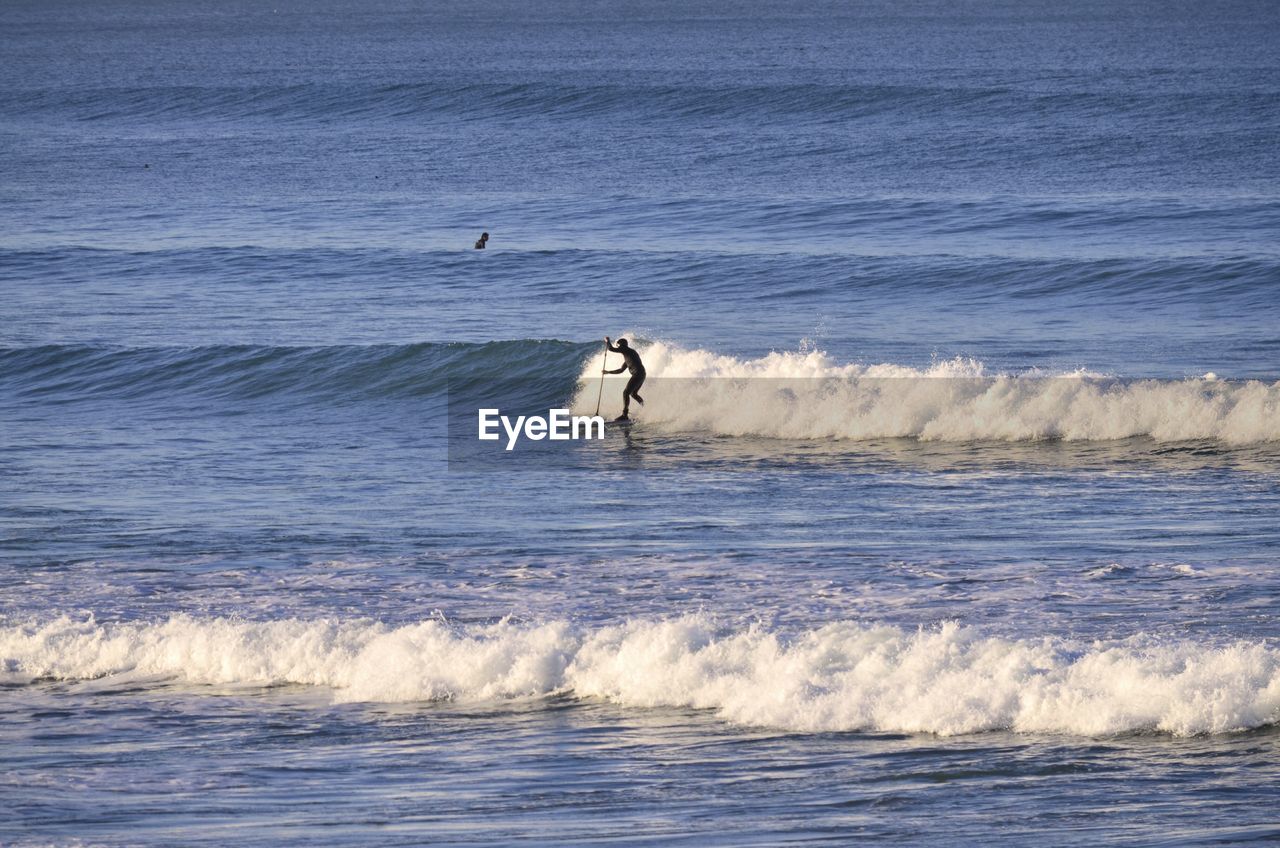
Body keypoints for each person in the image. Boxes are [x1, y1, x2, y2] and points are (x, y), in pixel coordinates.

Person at [604, 336, 645, 420]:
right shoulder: (629, 356)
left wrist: (607, 341)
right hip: (641, 374)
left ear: (621, 345)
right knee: (633, 394)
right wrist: (608, 372)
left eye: (618, 346)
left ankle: (624, 415)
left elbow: (611, 349)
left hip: (638, 374)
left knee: (625, 393)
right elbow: (620, 370)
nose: (618, 348)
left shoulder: (627, 350)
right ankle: (645, 408)